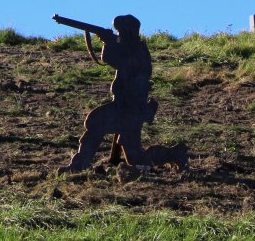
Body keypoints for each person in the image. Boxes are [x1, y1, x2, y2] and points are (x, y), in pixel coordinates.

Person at [59, 15, 188, 174]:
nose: (118, 35)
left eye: (120, 32)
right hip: (126, 106)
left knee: (102, 127)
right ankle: (79, 165)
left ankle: (79, 165)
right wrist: (110, 43)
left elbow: (115, 60)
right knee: (130, 151)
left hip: (130, 108)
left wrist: (109, 43)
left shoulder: (137, 51)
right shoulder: (133, 48)